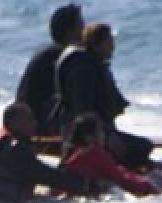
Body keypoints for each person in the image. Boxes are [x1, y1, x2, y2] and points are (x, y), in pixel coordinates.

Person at [51, 23, 154, 170]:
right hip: (86, 136)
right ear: (95, 44)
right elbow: (82, 112)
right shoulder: (82, 70)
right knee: (140, 148)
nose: (113, 47)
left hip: (100, 131)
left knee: (144, 146)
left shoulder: (94, 65)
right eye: (109, 43)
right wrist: (106, 137)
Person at [0, 102, 87, 203]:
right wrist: (84, 185)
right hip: (1, 202)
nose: (34, 122)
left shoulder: (6, 144)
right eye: (29, 119)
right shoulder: (14, 149)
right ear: (14, 123)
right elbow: (45, 175)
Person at [15, 4, 84, 136]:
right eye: (81, 25)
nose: (85, 29)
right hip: (38, 124)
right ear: (70, 31)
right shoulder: (65, 57)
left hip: (30, 119)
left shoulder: (49, 53)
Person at [63, 113, 161, 197]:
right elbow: (122, 180)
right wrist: (149, 187)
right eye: (100, 132)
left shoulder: (75, 154)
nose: (103, 136)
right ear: (88, 137)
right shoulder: (96, 155)